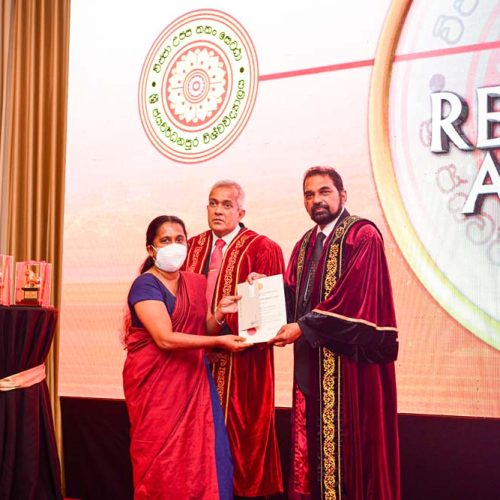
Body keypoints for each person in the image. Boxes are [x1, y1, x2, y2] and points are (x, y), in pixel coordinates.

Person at [270, 166, 400, 499]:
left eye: (324, 192)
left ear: (343, 195)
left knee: (351, 455)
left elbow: (355, 299)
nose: (316, 200)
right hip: (311, 364)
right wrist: (264, 293)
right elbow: (294, 298)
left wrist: (303, 326)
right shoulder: (304, 244)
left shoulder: (362, 236)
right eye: (309, 194)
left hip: (351, 369)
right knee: (312, 450)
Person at [122, 215, 249, 500]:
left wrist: (219, 314)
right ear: (151, 249)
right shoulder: (145, 285)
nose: (174, 245)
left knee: (206, 457)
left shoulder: (194, 282)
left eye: (179, 239)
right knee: (163, 462)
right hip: (157, 391)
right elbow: (165, 338)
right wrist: (219, 341)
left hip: (195, 383)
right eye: (165, 240)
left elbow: (201, 329)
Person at [184, 180, 284, 497]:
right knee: (194, 442)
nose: (218, 210)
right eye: (213, 203)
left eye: (227, 205)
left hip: (242, 363)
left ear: (241, 212)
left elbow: (268, 322)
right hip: (193, 360)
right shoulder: (191, 247)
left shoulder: (263, 248)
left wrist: (257, 293)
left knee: (242, 444)